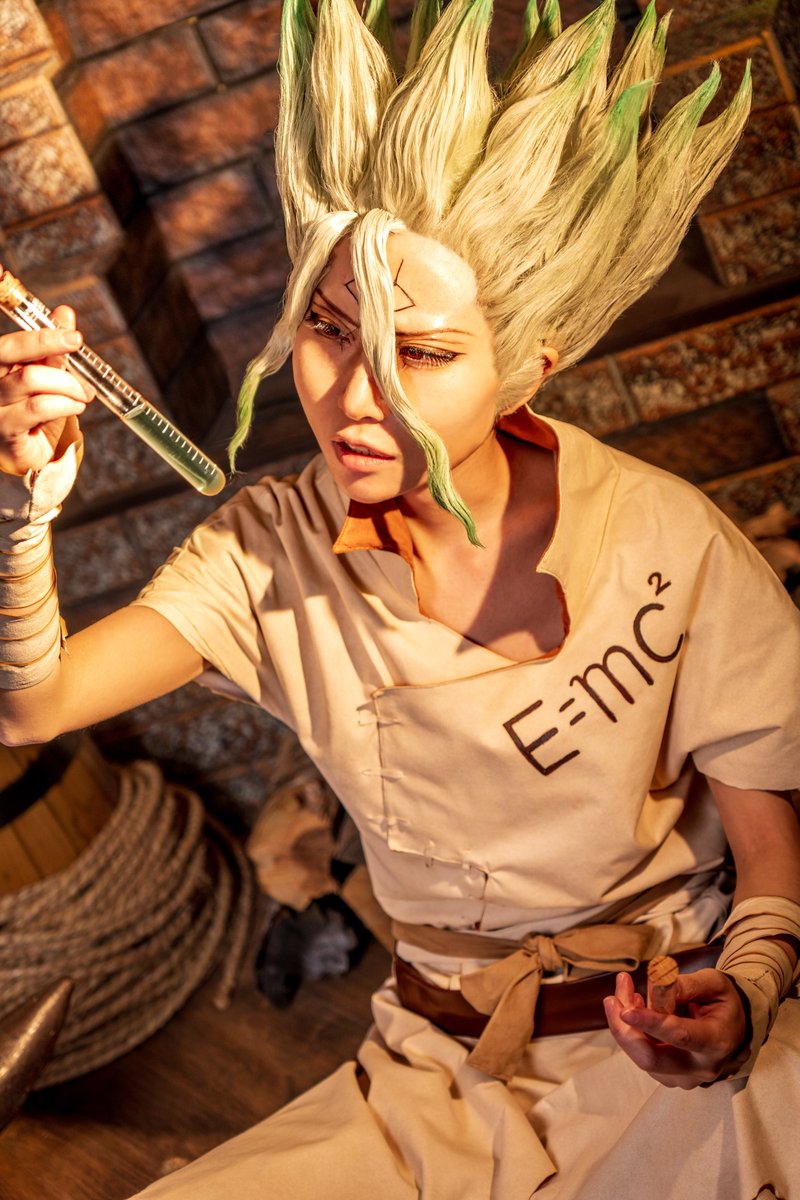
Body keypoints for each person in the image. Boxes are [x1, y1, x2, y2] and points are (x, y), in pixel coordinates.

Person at [0, 0, 798, 1196]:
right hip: (442, 1074)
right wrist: (22, 515)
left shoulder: (658, 529)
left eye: (419, 353)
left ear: (524, 366)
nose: (356, 396)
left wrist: (747, 987)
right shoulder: (267, 554)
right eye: (329, 331)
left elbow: (766, 831)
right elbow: (33, 706)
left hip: (677, 1027)